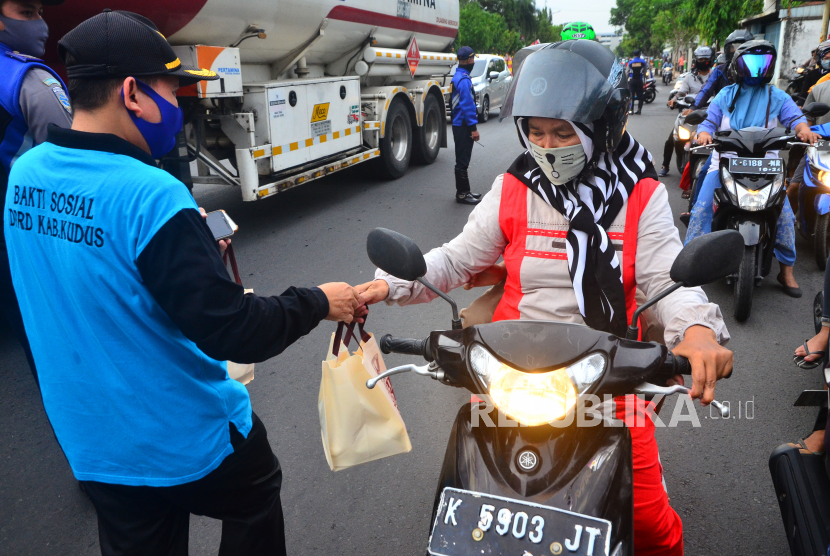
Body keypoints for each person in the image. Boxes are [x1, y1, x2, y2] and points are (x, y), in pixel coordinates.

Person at [4, 10, 366, 555]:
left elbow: (80, 276)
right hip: (180, 437)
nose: (178, 107)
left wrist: (189, 256)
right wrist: (318, 302)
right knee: (256, 492)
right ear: (131, 93)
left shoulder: (25, 175)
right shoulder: (151, 195)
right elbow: (233, 330)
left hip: (93, 443)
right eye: (170, 91)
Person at [357, 40, 733, 555]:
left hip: (605, 377)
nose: (548, 146)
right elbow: (456, 260)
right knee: (468, 512)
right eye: (535, 132)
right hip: (510, 369)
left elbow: (669, 279)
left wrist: (694, 330)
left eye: (562, 132)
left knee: (647, 524)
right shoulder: (513, 187)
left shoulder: (640, 195)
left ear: (602, 128)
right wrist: (387, 285)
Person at [685, 40, 820, 298]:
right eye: (752, 62)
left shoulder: (777, 96)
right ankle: (693, 265)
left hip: (767, 166)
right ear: (738, 65)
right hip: (724, 162)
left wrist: (804, 131)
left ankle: (786, 271)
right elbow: (709, 122)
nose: (758, 68)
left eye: (763, 63)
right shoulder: (725, 95)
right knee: (700, 210)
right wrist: (703, 134)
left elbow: (797, 119)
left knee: (785, 217)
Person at [0, 0, 72, 388]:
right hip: (25, 238)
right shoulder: (30, 81)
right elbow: (71, 171)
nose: (41, 25)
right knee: (57, 342)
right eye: (28, 13)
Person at [679, 30, 754, 219]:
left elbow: (792, 117)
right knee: (705, 168)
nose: (739, 52)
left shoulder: (769, 91)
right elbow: (706, 92)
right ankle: (695, 211)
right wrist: (695, 108)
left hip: (756, 144)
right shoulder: (721, 80)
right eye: (735, 48)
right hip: (724, 133)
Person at [658, 46, 714, 177]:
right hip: (689, 112)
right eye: (701, 59)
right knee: (671, 139)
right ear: (696, 60)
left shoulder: (715, 76)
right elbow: (681, 92)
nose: (703, 61)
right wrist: (674, 100)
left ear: (711, 60)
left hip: (709, 113)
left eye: (706, 59)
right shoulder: (689, 77)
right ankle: (665, 165)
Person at [451, 45, 482, 205]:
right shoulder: (463, 80)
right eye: (473, 59)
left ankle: (465, 191)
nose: (474, 61)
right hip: (462, 125)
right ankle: (462, 194)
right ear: (469, 59)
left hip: (459, 124)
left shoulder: (458, 76)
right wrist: (473, 129)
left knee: (463, 159)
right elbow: (467, 105)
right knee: (462, 161)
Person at [628, 50, 646, 115]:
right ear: (639, 54)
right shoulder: (643, 62)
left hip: (632, 81)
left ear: (634, 55)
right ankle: (639, 110)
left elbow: (627, 72)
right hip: (639, 80)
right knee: (640, 96)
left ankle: (631, 110)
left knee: (631, 96)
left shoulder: (630, 63)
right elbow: (644, 72)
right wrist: (644, 81)